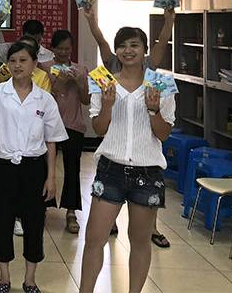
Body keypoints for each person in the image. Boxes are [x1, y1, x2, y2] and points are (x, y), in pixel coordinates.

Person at [79, 27, 175, 293]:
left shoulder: (161, 85)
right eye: (122, 46)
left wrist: (154, 110)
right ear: (116, 51)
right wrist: (108, 106)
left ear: (145, 50)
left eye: (134, 45)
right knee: (94, 239)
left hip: (148, 172)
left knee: (140, 241)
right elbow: (99, 129)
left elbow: (164, 134)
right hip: (111, 169)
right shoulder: (104, 82)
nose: (128, 51)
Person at [0, 41, 67, 293]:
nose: (17, 65)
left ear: (35, 64)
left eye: (23, 60)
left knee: (34, 222)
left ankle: (30, 279)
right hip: (3, 166)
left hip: (34, 168)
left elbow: (52, 140)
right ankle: (4, 278)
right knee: (3, 220)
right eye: (13, 60)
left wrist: (51, 177)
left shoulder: (45, 99)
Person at [45, 30, 90, 234]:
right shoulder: (44, 67)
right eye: (60, 48)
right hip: (47, 126)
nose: (64, 52)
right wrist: (60, 82)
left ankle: (71, 212)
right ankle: (44, 206)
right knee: (44, 168)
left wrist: (79, 83)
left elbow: (86, 100)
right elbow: (45, 96)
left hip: (73, 125)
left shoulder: (80, 69)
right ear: (52, 48)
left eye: (67, 48)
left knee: (73, 170)